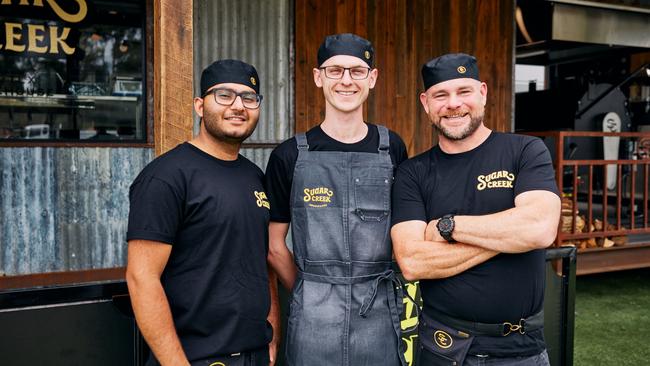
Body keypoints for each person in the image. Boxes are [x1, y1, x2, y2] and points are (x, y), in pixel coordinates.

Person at [390, 53, 561, 366]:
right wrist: (508, 239)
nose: (453, 103)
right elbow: (413, 261)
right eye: (441, 95)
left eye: (463, 91)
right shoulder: (413, 173)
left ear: (482, 93)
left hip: (521, 351)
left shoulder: (524, 151)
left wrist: (447, 226)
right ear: (426, 102)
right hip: (443, 348)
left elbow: (540, 229)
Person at [265, 33, 409, 366]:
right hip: (312, 318)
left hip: (378, 308)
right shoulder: (289, 155)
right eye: (335, 71)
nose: (346, 80)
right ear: (318, 77)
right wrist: (311, 288)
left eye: (357, 71)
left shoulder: (392, 147)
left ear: (372, 78)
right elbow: (273, 244)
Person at [126, 59, 279, 366]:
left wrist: (272, 335)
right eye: (224, 95)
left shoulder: (253, 175)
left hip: (254, 355)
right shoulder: (167, 177)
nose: (238, 106)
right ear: (199, 105)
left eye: (249, 97)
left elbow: (262, 263)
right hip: (195, 358)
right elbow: (141, 277)